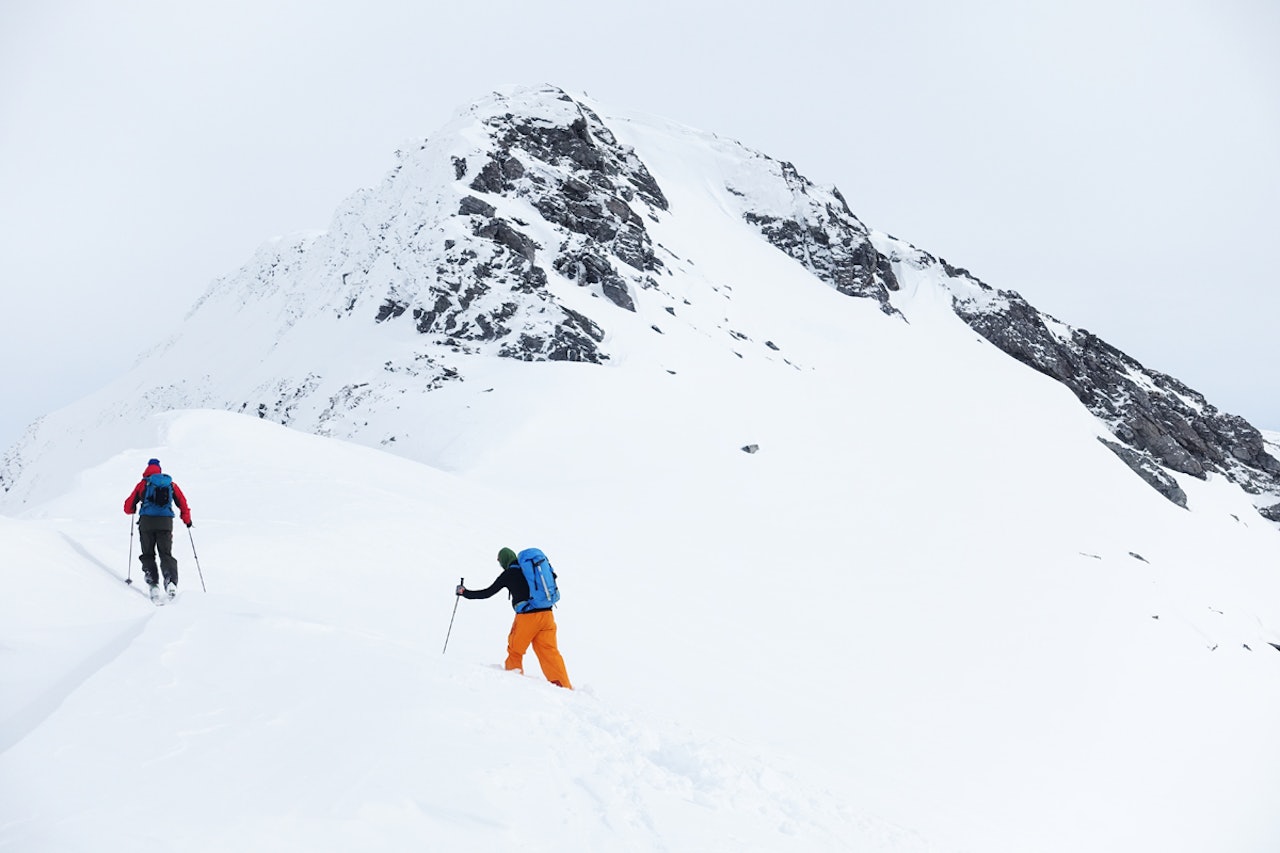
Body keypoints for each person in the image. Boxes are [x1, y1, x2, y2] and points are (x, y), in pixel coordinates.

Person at [457, 547, 573, 689]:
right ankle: (564, 686)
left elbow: (487, 593)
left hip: (527, 618)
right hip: (547, 615)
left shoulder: (509, 574)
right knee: (549, 651)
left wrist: (465, 593)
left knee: (515, 651)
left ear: (504, 561)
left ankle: (514, 686)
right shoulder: (530, 569)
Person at [122, 458, 192, 600]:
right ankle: (171, 582)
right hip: (165, 523)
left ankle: (153, 584)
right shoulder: (170, 484)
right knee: (165, 554)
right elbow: (182, 502)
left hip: (146, 523)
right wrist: (187, 520)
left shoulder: (143, 484)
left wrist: (135, 507)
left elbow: (128, 507)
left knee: (148, 554)